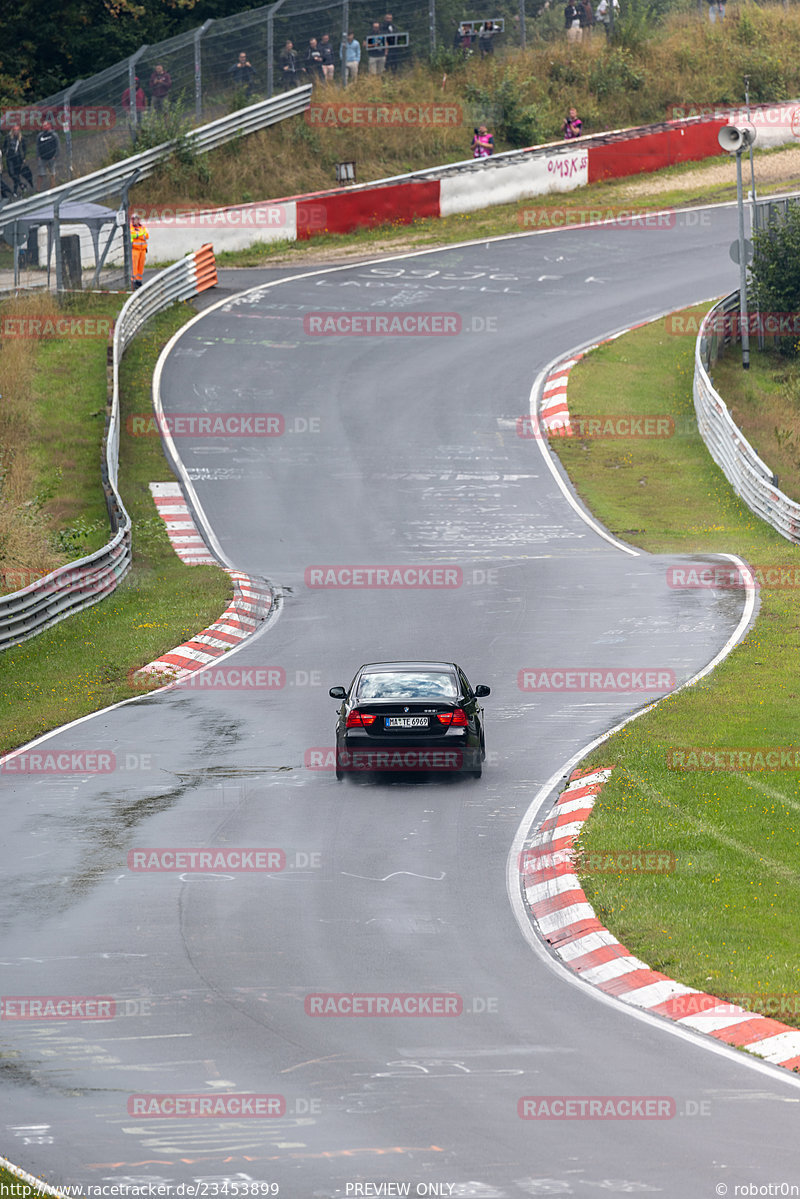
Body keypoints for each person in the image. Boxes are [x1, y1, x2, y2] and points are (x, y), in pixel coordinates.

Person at [3, 125, 33, 195]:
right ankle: (22, 184)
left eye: (17, 130)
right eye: (14, 130)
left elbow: (24, 148)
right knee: (11, 173)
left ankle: (15, 190)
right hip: (10, 158)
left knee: (16, 174)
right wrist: (6, 152)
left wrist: (24, 157)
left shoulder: (21, 138)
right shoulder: (8, 138)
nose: (16, 132)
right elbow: (4, 146)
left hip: (18, 158)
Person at [35, 120, 60, 190]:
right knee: (40, 174)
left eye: (46, 125)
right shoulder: (40, 136)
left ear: (49, 126)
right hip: (42, 158)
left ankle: (52, 188)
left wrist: (55, 156)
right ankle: (38, 189)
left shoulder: (54, 135)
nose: (44, 127)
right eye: (43, 126)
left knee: (52, 173)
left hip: (51, 157)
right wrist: (38, 156)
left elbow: (57, 146)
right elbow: (37, 146)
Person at [130, 213, 149, 289]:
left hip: (143, 249)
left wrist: (138, 235)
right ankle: (133, 281)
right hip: (135, 249)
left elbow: (147, 236)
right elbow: (133, 235)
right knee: (134, 266)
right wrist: (141, 235)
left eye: (136, 219)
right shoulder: (131, 228)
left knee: (141, 266)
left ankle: (139, 281)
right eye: (134, 219)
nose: (135, 221)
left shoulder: (143, 227)